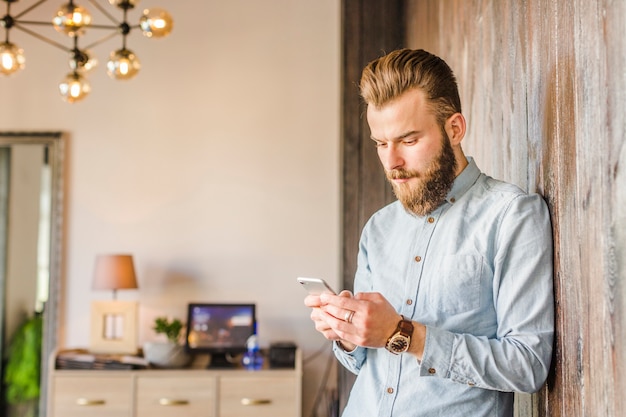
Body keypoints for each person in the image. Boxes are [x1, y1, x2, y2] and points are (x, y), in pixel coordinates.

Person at [304, 48, 554, 416]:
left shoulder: (511, 216)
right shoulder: (379, 228)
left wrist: (404, 334)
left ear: (455, 129)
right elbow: (363, 364)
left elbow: (528, 365)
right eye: (380, 144)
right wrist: (347, 334)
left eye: (408, 141)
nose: (392, 163)